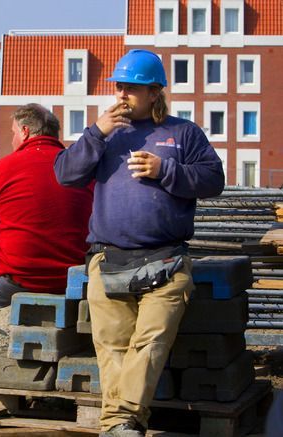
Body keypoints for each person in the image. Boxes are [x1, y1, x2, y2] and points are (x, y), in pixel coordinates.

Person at [54, 49, 225, 437]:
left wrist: (165, 169)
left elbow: (213, 180)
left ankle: (119, 422)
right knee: (112, 346)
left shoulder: (184, 134)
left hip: (166, 261)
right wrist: (96, 132)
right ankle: (122, 425)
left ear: (154, 92)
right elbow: (65, 174)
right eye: (119, 87)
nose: (122, 95)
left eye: (131, 88)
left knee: (149, 343)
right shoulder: (105, 135)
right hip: (108, 259)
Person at [0, 103, 93, 407]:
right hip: (73, 279)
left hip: (16, 274)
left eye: (13, 133)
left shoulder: (2, 169)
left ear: (25, 131)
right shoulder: (82, 170)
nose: (11, 140)